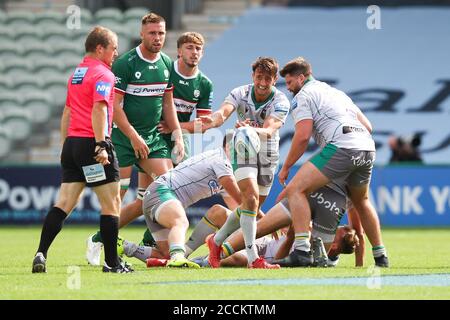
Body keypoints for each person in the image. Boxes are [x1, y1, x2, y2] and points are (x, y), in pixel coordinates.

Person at [85, 31, 217, 264]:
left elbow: (204, 124)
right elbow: (133, 100)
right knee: (146, 198)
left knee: (152, 198)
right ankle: (103, 238)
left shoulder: (204, 83)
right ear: (179, 51)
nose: (194, 53)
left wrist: (176, 129)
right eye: (189, 48)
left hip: (174, 142)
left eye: (198, 49)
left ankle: (142, 240)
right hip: (146, 139)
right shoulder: (165, 69)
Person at [31, 26, 132, 273]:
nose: (116, 53)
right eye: (113, 47)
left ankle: (41, 252)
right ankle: (112, 263)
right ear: (100, 48)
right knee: (112, 203)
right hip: (93, 144)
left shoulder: (77, 74)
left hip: (73, 144)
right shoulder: (104, 75)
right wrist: (101, 145)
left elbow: (67, 111)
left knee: (64, 202)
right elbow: (99, 109)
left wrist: (66, 145)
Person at [274, 57, 389, 267]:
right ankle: (381, 256)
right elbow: (368, 126)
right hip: (366, 147)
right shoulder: (337, 93)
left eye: (290, 83)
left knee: (295, 190)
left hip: (342, 146)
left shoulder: (303, 97)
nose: (289, 88)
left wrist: (286, 167)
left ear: (301, 78)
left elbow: (302, 137)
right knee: (361, 201)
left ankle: (301, 250)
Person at [201, 57, 290, 269]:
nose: (262, 82)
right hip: (242, 146)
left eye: (267, 78)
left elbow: (268, 131)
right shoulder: (239, 92)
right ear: (253, 76)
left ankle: (217, 240)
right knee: (249, 198)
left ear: (274, 79)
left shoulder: (281, 101)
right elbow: (222, 114)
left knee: (251, 205)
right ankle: (254, 260)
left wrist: (249, 129)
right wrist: (211, 121)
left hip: (268, 150)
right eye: (259, 77)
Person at [140, 133, 242, 268]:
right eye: (241, 148)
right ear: (229, 147)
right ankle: (178, 258)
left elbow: (238, 208)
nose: (243, 154)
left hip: (154, 195)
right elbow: (244, 202)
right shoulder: (221, 161)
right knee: (180, 222)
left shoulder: (223, 168)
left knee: (166, 254)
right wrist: (263, 224)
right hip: (161, 191)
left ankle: (125, 247)